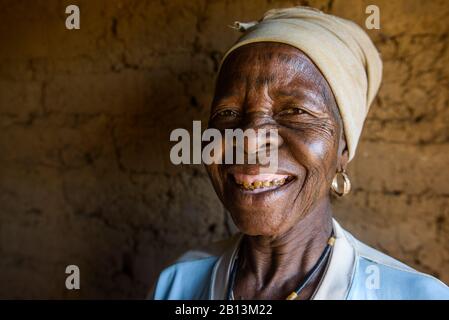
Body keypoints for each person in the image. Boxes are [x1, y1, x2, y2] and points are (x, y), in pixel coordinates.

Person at [151, 6, 449, 300]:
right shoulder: (178, 284)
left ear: (343, 148)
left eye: (295, 111)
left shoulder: (416, 296)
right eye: (228, 112)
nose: (251, 139)